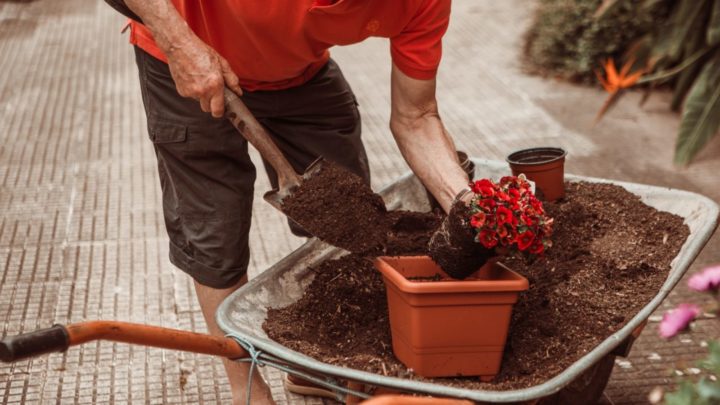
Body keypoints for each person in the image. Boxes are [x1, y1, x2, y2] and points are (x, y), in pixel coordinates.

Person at [110, 1, 472, 403]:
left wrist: (468, 205)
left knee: (352, 221)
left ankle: (320, 370)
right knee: (215, 231)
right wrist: (178, 43)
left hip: (300, 74)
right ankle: (246, 388)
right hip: (184, 52)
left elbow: (417, 115)